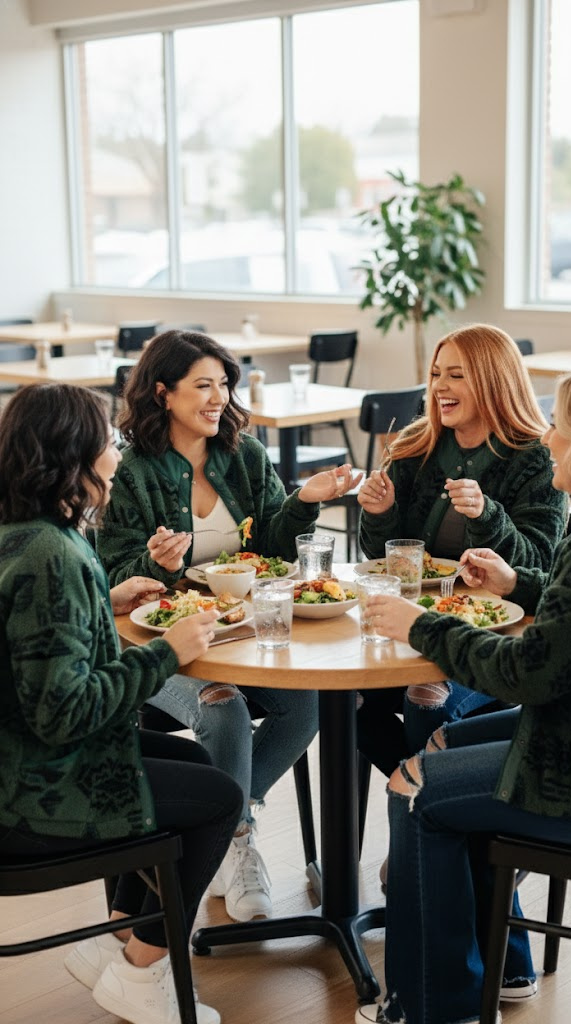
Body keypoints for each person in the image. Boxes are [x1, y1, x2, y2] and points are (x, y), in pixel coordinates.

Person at [356, 368, 571, 1024]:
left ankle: (432, 1006)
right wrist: (518, 583)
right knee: (445, 740)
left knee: (414, 786)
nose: (549, 438)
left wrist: (420, 624)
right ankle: (500, 967)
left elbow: (529, 673)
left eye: (558, 424)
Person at [0, 383, 243, 1024]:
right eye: (106, 439)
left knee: (198, 770)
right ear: (74, 456)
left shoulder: (25, 533)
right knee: (220, 800)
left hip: (20, 757)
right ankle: (141, 970)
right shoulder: (52, 555)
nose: (116, 448)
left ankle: (120, 940)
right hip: (31, 788)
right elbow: (65, 712)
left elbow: (36, 647)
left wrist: (104, 602)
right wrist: (170, 652)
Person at [98, 329, 361, 922]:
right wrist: (153, 564)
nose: (218, 398)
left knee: (309, 701)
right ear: (163, 393)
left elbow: (269, 547)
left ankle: (229, 823)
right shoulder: (133, 469)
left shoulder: (242, 453)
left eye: (223, 384)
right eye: (202, 386)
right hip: (158, 643)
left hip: (239, 629)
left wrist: (305, 500)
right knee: (223, 705)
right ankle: (236, 842)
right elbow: (110, 577)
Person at [355, 323, 568, 778]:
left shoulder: (536, 460)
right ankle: (420, 805)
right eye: (436, 375)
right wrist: (381, 512)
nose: (440, 388)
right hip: (410, 623)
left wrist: (487, 516)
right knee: (338, 699)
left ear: (494, 380)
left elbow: (537, 567)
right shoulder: (415, 445)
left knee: (425, 693)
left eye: (457, 375)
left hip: (496, 635)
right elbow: (381, 561)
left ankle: (421, 819)